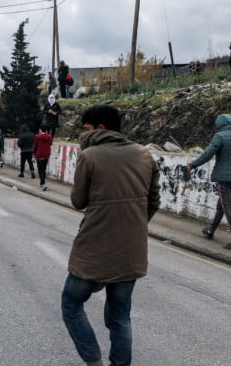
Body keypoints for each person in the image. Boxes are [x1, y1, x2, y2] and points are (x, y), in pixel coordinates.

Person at [62, 105, 160, 366]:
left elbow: (78, 201)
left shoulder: (90, 155)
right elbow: (153, 202)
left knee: (71, 303)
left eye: (86, 129)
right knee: (120, 317)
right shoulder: (144, 154)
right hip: (131, 250)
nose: (84, 134)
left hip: (94, 249)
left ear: (100, 128)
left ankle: (94, 362)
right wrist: (132, 225)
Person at [186, 114, 231, 251]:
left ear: (219, 125)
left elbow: (208, 153)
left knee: (227, 207)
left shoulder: (220, 137)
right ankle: (210, 231)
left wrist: (192, 165)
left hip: (224, 179)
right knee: (222, 204)